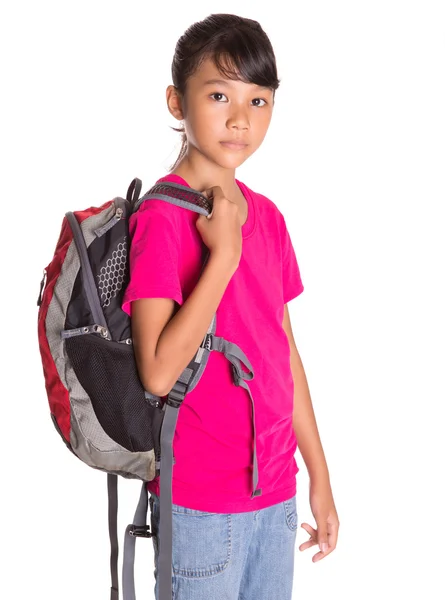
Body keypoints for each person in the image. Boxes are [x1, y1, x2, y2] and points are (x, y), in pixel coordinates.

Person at [121, 12, 339, 600]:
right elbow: (158, 371)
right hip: (199, 504)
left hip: (276, 495)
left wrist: (318, 475)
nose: (240, 118)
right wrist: (222, 256)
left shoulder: (266, 216)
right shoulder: (163, 221)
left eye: (258, 100)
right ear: (176, 101)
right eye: (218, 94)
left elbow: (282, 350)